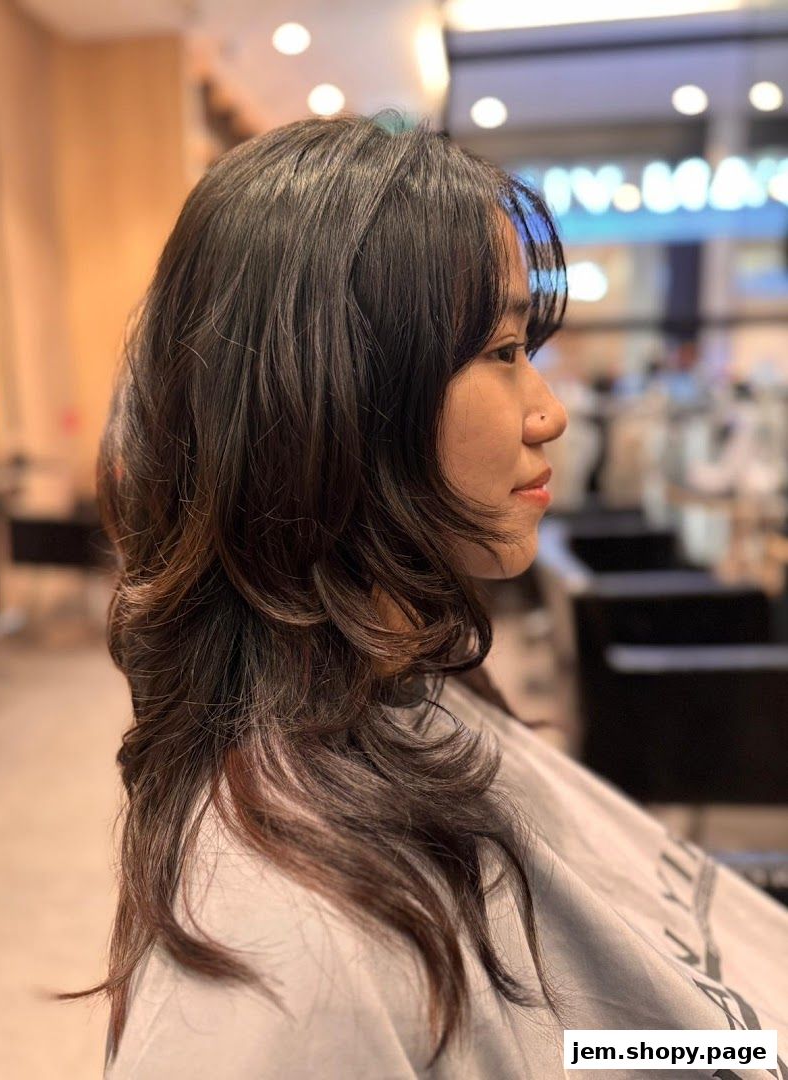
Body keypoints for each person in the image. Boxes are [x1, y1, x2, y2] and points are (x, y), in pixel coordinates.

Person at [57, 112, 787, 1078]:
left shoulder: (412, 687)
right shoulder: (288, 955)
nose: (550, 413)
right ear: (337, 398)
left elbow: (577, 1048)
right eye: (503, 351)